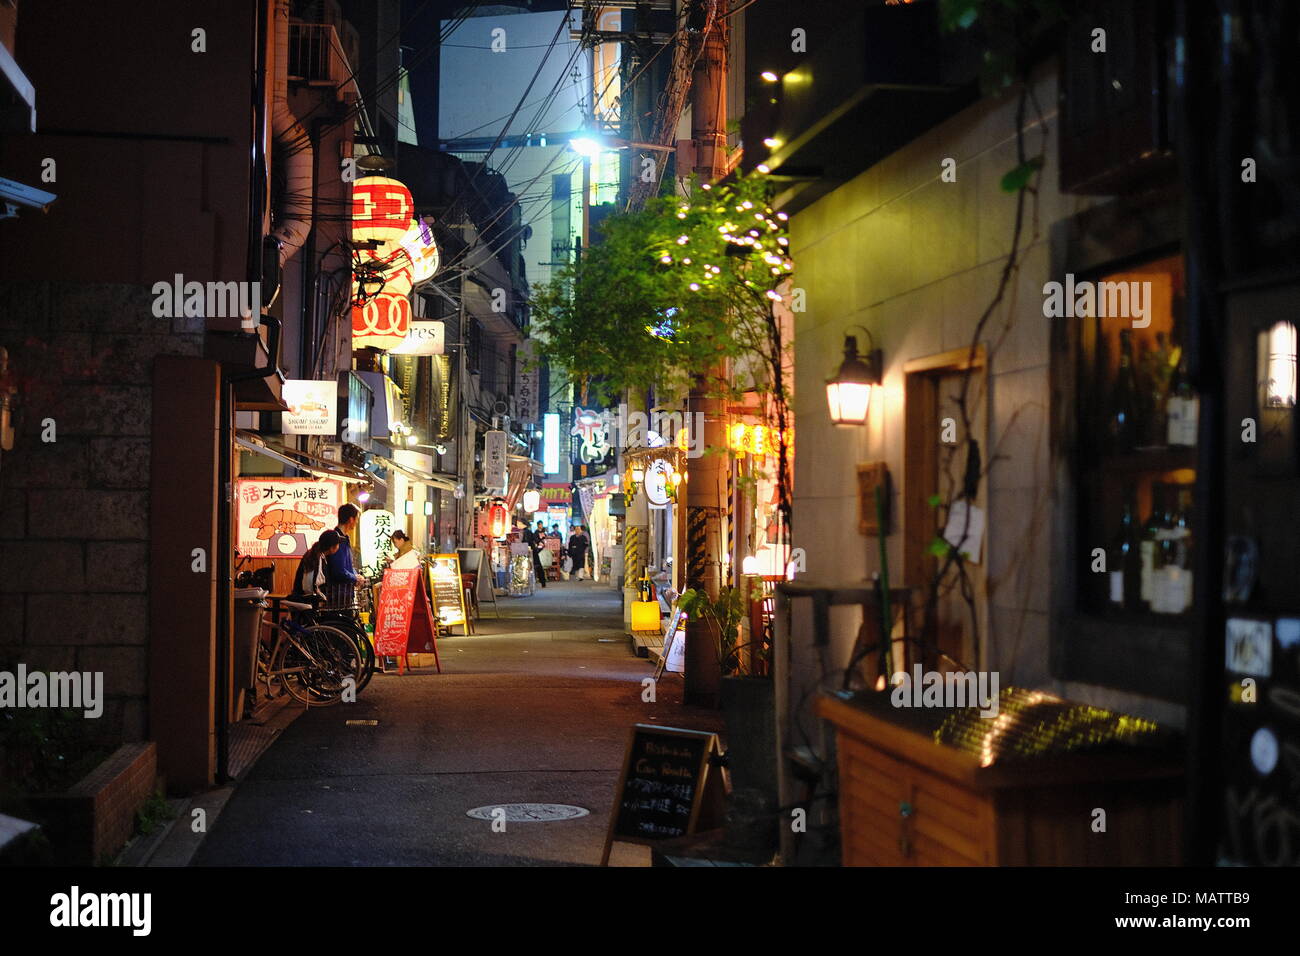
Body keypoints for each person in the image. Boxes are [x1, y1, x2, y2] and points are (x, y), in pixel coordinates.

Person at [324, 503, 362, 605]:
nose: (357, 522)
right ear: (351, 520)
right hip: (337, 595)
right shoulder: (336, 540)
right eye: (356, 519)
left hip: (344, 593)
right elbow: (338, 571)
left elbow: (347, 566)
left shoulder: (344, 538)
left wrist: (355, 575)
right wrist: (355, 577)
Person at [291, 530, 343, 604]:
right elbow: (308, 587)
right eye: (338, 544)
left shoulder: (319, 555)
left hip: (305, 599)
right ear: (331, 547)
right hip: (305, 602)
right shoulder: (315, 558)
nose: (339, 546)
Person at [522, 519, 548, 588]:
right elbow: (534, 540)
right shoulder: (533, 532)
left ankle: (539, 581)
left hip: (530, 550)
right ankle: (542, 582)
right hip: (533, 550)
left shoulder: (526, 532)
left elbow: (529, 541)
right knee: (538, 566)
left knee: (535, 566)